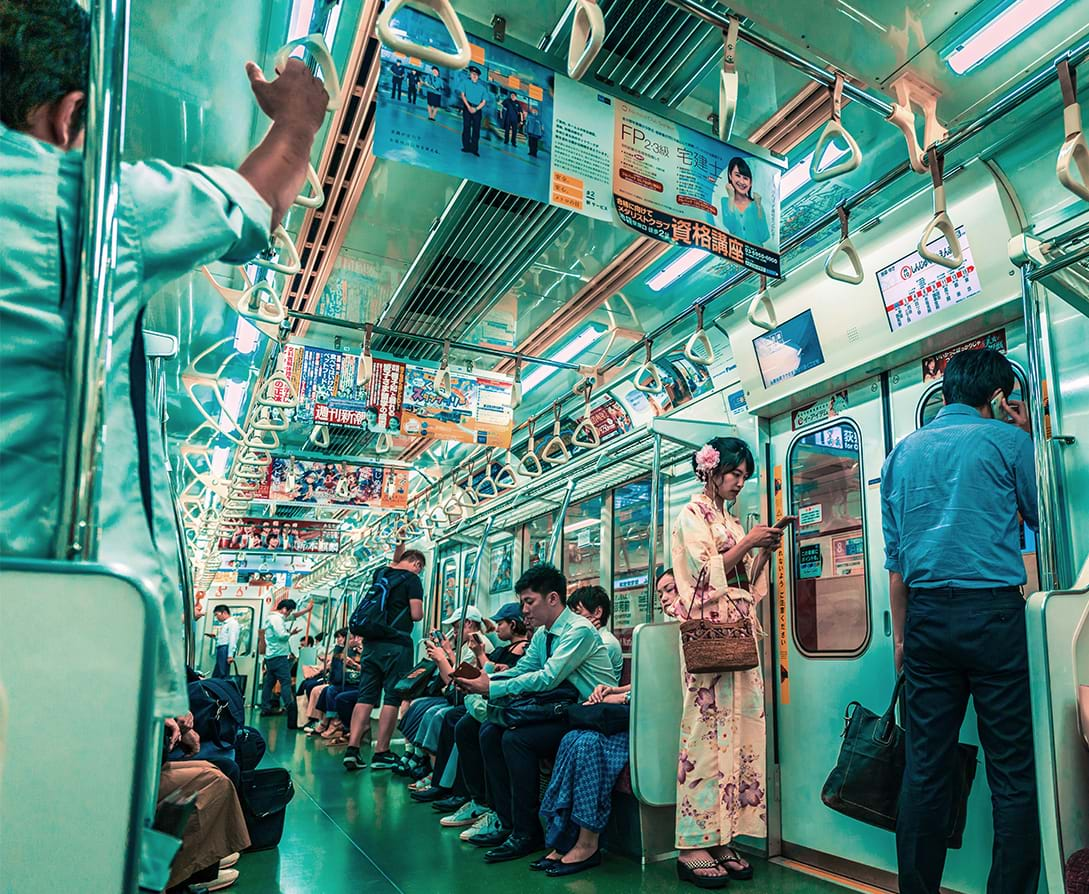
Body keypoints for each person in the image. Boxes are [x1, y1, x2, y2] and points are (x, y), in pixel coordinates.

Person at [0, 0, 328, 721]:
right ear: (68, 115)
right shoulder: (84, 205)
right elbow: (258, 199)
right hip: (58, 614)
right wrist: (300, 117)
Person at [880, 348, 1039, 894]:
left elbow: (896, 563)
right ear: (996, 397)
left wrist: (901, 638)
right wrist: (1030, 433)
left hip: (926, 620)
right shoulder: (1009, 442)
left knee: (926, 768)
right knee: (1013, 771)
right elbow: (1049, 516)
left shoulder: (900, 454)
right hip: (994, 615)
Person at [664, 437, 783, 887]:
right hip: (708, 635)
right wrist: (748, 541)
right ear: (710, 471)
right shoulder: (691, 515)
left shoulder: (730, 520)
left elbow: (742, 583)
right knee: (702, 734)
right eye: (734, 474)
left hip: (736, 633)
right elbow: (699, 576)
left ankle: (722, 834)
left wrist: (761, 551)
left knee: (738, 732)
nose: (739, 483)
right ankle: (692, 842)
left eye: (744, 477)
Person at [453, 563, 618, 863]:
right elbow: (526, 669)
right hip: (560, 709)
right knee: (489, 730)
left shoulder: (579, 630)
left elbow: (548, 677)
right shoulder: (544, 635)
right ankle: (507, 821)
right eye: (523, 603)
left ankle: (527, 833)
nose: (524, 610)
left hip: (589, 714)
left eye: (529, 602)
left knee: (517, 740)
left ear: (553, 599)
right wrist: (486, 681)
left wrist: (489, 688)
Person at [536, 682, 632, 877]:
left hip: (646, 725)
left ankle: (588, 842)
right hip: (628, 716)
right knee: (571, 738)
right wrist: (612, 689)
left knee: (588, 745)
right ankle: (566, 838)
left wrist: (625, 698)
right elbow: (642, 681)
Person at [343, 549, 426, 771]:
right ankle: (381, 752)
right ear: (417, 564)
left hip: (371, 645)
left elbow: (393, 561)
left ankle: (352, 749)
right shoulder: (413, 580)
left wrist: (400, 542)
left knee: (365, 697)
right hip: (396, 644)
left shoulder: (381, 573)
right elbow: (416, 614)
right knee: (392, 697)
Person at [259, 598, 308, 717]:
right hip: (279, 656)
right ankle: (290, 709)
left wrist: (306, 610)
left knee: (269, 683)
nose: (290, 614)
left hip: (271, 656)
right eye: (289, 611)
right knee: (285, 682)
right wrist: (291, 633)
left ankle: (265, 707)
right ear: (284, 609)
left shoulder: (274, 617)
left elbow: (292, 617)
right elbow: (282, 636)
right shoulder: (276, 619)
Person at [568, 585, 623, 682]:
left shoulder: (606, 643)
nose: (572, 620)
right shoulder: (589, 639)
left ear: (597, 612)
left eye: (577, 614)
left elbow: (569, 670)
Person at [719, 156, 769, 246]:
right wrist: (731, 197)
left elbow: (764, 236)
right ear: (730, 176)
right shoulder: (725, 201)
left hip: (756, 254)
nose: (741, 181)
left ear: (750, 183)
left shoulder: (756, 204)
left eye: (745, 178)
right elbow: (730, 226)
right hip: (737, 255)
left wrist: (759, 207)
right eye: (737, 175)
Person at [459, 66, 487, 156]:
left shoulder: (482, 88)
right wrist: (468, 107)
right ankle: (466, 147)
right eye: (473, 74)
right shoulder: (465, 83)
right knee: (466, 127)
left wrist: (476, 109)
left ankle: (474, 149)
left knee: (476, 129)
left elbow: (484, 101)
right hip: (467, 107)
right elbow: (462, 95)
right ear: (470, 74)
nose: (474, 76)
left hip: (477, 110)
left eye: (476, 74)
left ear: (478, 76)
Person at [209, 605, 240, 679]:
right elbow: (224, 639)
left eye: (217, 614)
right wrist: (216, 638)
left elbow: (232, 639)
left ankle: (221, 688)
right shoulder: (225, 624)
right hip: (222, 649)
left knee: (222, 673)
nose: (216, 617)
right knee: (218, 672)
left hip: (225, 649)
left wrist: (230, 655)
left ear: (224, 613)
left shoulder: (232, 623)